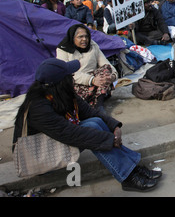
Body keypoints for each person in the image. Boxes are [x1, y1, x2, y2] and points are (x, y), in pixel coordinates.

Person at [12, 58, 161, 192]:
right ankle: (127, 177)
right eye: (69, 76)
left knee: (96, 122)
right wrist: (109, 139)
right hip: (41, 156)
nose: (73, 78)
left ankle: (132, 168)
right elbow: (69, 134)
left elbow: (90, 111)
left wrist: (114, 127)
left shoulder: (61, 92)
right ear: (60, 82)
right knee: (93, 130)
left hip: (60, 138)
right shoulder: (38, 107)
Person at [56, 24, 118, 109]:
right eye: (80, 37)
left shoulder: (92, 45)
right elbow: (68, 72)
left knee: (106, 70)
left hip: (96, 80)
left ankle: (99, 105)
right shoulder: (63, 49)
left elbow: (105, 64)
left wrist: (113, 76)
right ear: (72, 38)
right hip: (76, 82)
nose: (84, 39)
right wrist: (91, 80)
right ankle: (98, 98)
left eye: (86, 36)